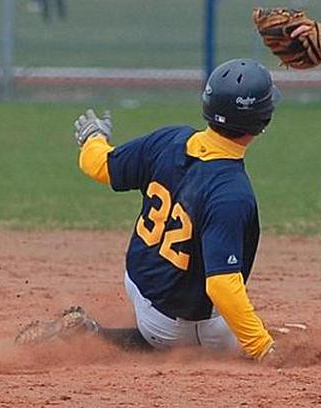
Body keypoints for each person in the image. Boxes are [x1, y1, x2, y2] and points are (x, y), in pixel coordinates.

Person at [16, 59, 281, 360]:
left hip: (140, 285)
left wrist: (93, 138)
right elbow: (221, 285)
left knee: (196, 320)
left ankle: (100, 334)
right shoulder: (232, 192)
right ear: (263, 121)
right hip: (177, 325)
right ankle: (105, 338)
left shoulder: (168, 141)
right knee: (244, 337)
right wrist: (263, 348)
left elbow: (100, 165)